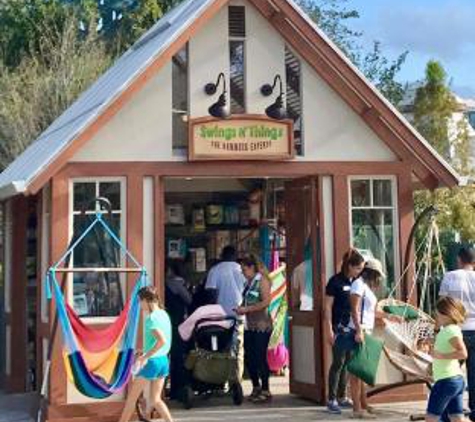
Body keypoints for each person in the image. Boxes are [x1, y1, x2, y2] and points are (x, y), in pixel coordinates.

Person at [349, 259, 398, 420]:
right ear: (371, 273)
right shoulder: (358, 285)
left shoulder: (365, 287)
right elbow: (354, 309)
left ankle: (363, 404)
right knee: (356, 372)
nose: (379, 279)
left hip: (365, 330)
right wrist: (358, 330)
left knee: (362, 370)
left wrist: (390, 316)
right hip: (359, 330)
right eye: (377, 275)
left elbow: (371, 312)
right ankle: (357, 409)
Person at [118, 286, 173, 422]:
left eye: (140, 301)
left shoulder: (151, 319)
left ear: (147, 300)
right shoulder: (164, 314)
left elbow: (161, 341)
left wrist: (145, 356)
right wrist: (145, 351)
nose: (140, 305)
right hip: (163, 361)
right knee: (155, 399)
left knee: (131, 399)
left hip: (151, 362)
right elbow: (162, 342)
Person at [325, 248, 365, 414]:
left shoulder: (356, 282)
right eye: (357, 268)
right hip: (338, 328)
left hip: (352, 328)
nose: (359, 272)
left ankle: (342, 396)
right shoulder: (335, 282)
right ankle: (331, 398)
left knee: (348, 363)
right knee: (338, 362)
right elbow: (327, 307)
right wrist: (329, 329)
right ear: (349, 266)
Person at [439, 246, 475, 420]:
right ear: (473, 262)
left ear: (459, 259)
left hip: (455, 331)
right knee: (474, 374)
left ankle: (448, 411)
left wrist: (437, 329)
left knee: (449, 372)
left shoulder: (450, 277)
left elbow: (442, 305)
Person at [205, 246, 246, 381]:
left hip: (221, 316)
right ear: (235, 255)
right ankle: (237, 380)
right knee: (238, 348)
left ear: (222, 255)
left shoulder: (215, 270)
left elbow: (210, 294)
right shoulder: (242, 270)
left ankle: (222, 378)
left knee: (222, 348)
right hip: (240, 314)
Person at [237, 256, 273, 403]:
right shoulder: (249, 283)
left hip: (261, 325)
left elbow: (266, 301)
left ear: (252, 267)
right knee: (250, 358)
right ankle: (255, 386)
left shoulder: (262, 281)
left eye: (244, 269)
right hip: (249, 324)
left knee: (259, 357)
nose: (243, 273)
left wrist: (247, 309)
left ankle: (266, 389)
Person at [426, 296, 468, 422]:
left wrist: (440, 356)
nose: (435, 316)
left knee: (431, 418)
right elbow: (444, 345)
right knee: (456, 418)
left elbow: (463, 353)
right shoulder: (450, 330)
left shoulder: (449, 331)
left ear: (446, 314)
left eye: (437, 314)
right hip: (455, 380)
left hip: (446, 381)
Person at [165, 260, 192, 401]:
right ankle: (177, 388)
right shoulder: (176, 283)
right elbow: (189, 299)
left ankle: (164, 388)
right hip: (178, 324)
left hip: (167, 322)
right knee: (178, 357)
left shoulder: (165, 283)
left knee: (165, 356)